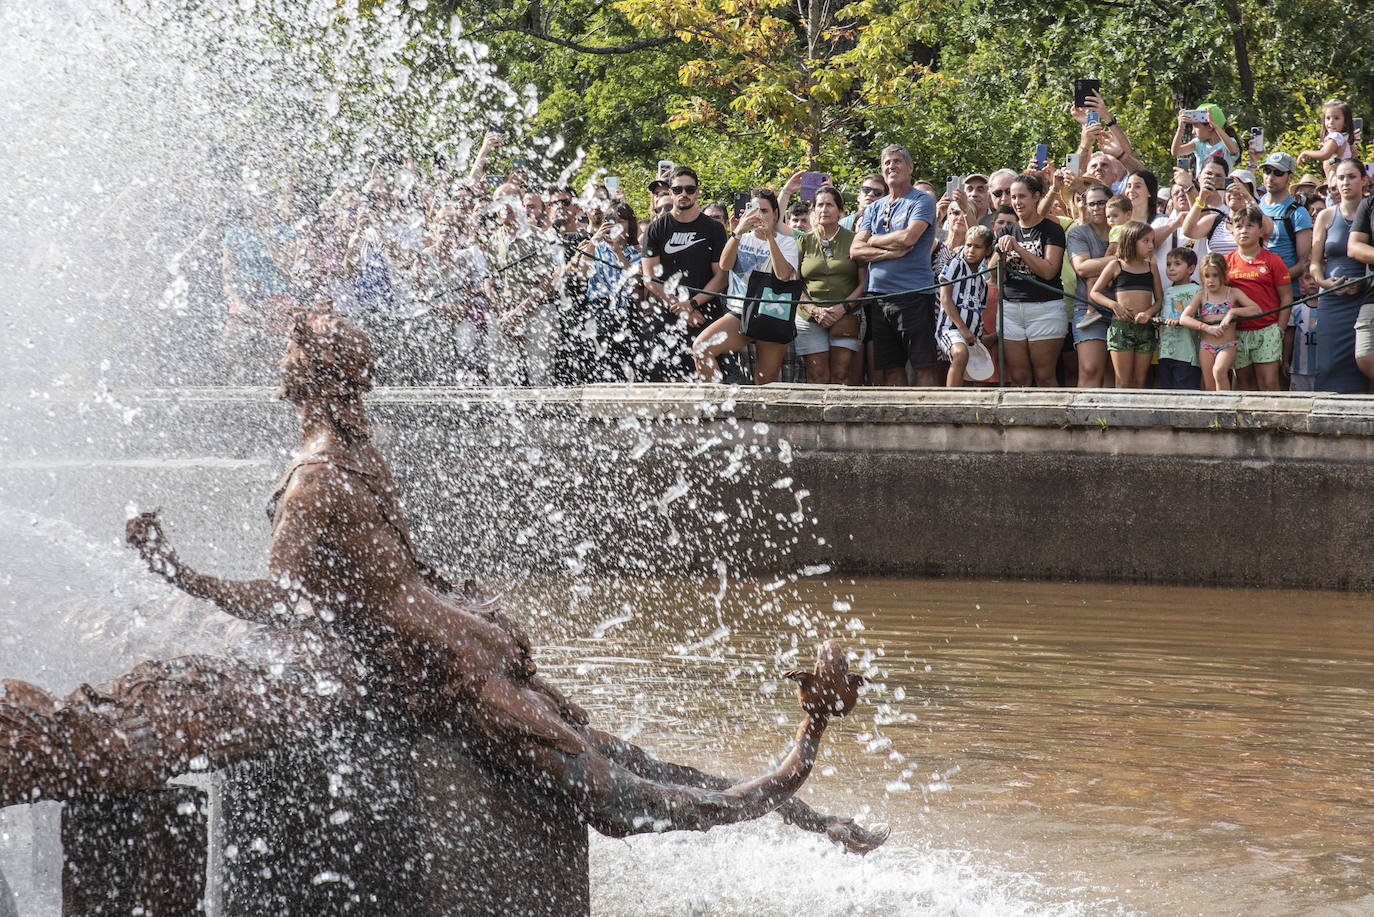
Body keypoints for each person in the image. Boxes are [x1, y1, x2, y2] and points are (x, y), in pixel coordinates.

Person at [2, 309, 894, 856]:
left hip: (450, 673)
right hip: (468, 637)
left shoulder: (316, 476)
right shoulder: (360, 453)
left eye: (287, 351)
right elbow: (398, 573)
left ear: (308, 373)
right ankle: (812, 812)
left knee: (633, 803)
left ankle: (803, 757)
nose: (275, 362)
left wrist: (174, 571)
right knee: (633, 765)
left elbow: (291, 602)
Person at [850, 145, 941, 386]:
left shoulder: (922, 201)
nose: (892, 166)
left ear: (910, 168)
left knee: (924, 367)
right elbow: (855, 250)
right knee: (890, 369)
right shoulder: (873, 208)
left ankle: (926, 422)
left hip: (914, 294)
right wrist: (889, 253)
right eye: (887, 162)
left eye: (898, 161)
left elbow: (908, 238)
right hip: (880, 297)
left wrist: (873, 240)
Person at [692, 188, 798, 384]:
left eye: (765, 211)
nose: (759, 215)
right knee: (701, 348)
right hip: (739, 312)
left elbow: (783, 275)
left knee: (765, 382)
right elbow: (725, 265)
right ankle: (720, 407)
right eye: (754, 210)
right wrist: (737, 232)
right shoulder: (741, 237)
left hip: (771, 312)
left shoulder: (787, 242)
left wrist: (770, 239)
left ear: (776, 214)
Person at [640, 167, 729, 381]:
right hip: (668, 314)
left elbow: (722, 277)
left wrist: (692, 305)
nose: (684, 194)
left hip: (705, 314)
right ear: (670, 192)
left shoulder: (714, 229)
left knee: (708, 381)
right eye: (678, 189)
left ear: (697, 192)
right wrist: (682, 309)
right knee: (671, 383)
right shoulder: (656, 229)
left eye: (690, 189)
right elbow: (649, 277)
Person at [794, 187, 867, 384]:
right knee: (816, 375)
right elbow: (794, 283)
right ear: (813, 211)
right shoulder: (803, 241)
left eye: (829, 205)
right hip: (809, 316)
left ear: (841, 210)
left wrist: (843, 307)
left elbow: (864, 283)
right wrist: (814, 310)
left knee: (840, 375)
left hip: (847, 315)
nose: (824, 209)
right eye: (819, 205)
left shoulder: (854, 240)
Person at [1310, 159, 1370, 392]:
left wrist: (1362, 284)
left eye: (1352, 177)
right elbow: (1315, 264)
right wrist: (1323, 282)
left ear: (1364, 180)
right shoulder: (1325, 216)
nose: (1345, 183)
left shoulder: (1371, 213)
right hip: (1331, 299)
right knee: (1326, 365)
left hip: (1364, 299)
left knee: (1362, 361)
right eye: (1341, 177)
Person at [1226, 204, 1294, 390]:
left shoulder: (1273, 260)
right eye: (1239, 226)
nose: (1244, 231)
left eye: (1250, 226)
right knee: (1243, 383)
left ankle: (1276, 420)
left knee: (1269, 383)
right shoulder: (1226, 262)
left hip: (1267, 330)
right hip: (1238, 331)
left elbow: (1287, 297)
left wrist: (1279, 329)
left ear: (1260, 230)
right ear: (1233, 231)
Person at [575, 201, 641, 381]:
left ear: (630, 224)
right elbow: (583, 274)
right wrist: (594, 241)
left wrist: (618, 251)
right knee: (596, 366)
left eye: (621, 220)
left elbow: (635, 281)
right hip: (598, 310)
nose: (615, 225)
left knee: (624, 367)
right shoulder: (595, 248)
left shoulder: (636, 252)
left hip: (625, 312)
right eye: (611, 220)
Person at [1090, 221, 1161, 388]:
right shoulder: (1116, 265)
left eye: (1152, 241)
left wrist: (1148, 313)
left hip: (1145, 328)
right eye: (1145, 241)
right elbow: (1095, 292)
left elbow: (1159, 300)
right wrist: (1114, 305)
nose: (1151, 245)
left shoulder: (1151, 267)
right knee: (1123, 381)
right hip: (1121, 328)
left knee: (1140, 381)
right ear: (1131, 241)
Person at [1177, 253, 1262, 391]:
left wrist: (1233, 312)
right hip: (1206, 346)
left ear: (1223, 274)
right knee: (1209, 385)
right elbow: (1183, 318)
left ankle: (1226, 408)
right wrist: (1205, 328)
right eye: (1207, 276)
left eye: (1215, 275)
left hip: (1227, 345)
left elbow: (1256, 309)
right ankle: (1214, 412)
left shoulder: (1233, 293)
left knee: (1219, 371)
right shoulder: (1201, 295)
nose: (1211, 280)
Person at [1066, 183, 1114, 387]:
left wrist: (1098, 265)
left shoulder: (1125, 230)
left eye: (1101, 203)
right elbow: (1082, 268)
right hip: (1087, 309)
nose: (1096, 208)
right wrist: (1119, 259)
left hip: (1122, 307)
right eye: (1091, 204)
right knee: (1089, 369)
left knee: (1116, 374)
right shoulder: (1079, 233)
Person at [936, 225, 994, 387]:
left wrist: (981, 336)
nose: (971, 250)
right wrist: (963, 329)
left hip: (971, 335)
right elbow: (945, 299)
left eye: (977, 247)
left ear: (988, 250)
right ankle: (951, 403)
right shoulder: (955, 264)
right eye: (968, 245)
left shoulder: (982, 282)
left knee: (969, 374)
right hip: (951, 328)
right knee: (960, 354)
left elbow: (978, 313)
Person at [1157, 247, 1202, 389]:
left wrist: (1181, 321)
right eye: (1168, 264)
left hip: (1186, 354)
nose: (1171, 268)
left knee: (1185, 393)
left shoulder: (1196, 290)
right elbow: (1164, 313)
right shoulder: (1168, 291)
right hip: (1165, 352)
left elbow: (1202, 317)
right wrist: (1158, 320)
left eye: (1177, 264)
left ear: (1190, 269)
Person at [1170, 104, 1239, 174]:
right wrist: (1180, 128)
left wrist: (1215, 126)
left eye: (1196, 127)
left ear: (1210, 127)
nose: (1193, 132)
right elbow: (1176, 152)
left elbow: (1233, 150)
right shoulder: (1198, 143)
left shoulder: (1228, 143)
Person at [1296, 99, 1355, 179]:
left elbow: (1325, 154)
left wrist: (1306, 153)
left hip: (1337, 176)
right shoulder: (1344, 137)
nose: (1331, 122)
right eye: (1328, 118)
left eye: (1336, 118)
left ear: (1345, 122)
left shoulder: (1336, 136)